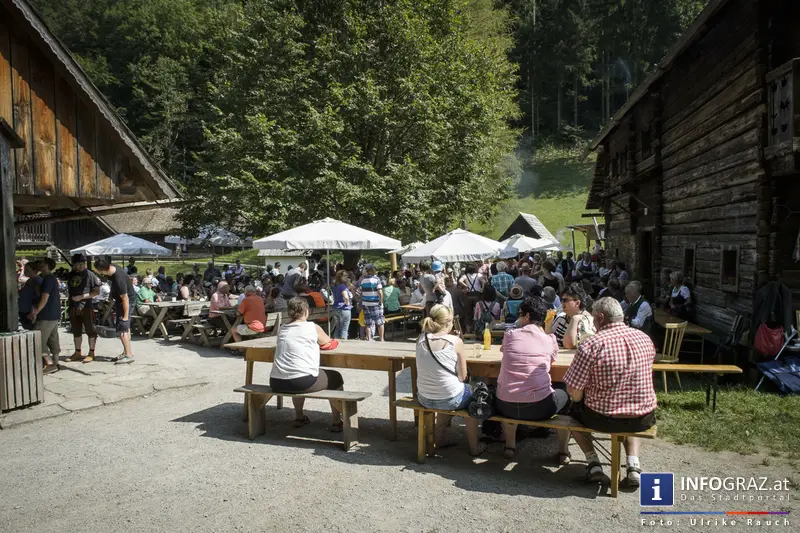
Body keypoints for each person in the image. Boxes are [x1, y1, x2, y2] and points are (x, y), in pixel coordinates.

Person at [563, 297, 657, 487]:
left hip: (603, 417)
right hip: (643, 416)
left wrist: (578, 402)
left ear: (601, 317)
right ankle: (633, 465)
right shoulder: (645, 339)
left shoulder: (592, 344)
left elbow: (574, 389)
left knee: (570, 415)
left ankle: (593, 463)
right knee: (631, 411)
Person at [496, 296, 571, 460]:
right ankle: (563, 451)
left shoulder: (510, 334)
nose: (518, 318)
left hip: (504, 404)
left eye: (520, 314)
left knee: (508, 389)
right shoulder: (549, 339)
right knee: (565, 393)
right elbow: (551, 360)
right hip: (539, 407)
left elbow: (504, 351)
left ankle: (510, 446)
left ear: (527, 316)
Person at [414, 304, 483, 456]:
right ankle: (474, 448)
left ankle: (439, 439)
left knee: (445, 390)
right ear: (449, 322)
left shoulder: (421, 338)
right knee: (472, 399)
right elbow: (462, 377)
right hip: (448, 398)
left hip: (424, 398)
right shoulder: (455, 342)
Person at [270, 297, 344, 431]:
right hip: (301, 381)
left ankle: (299, 416)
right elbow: (328, 342)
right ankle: (336, 421)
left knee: (295, 372)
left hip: (276, 381)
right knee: (335, 377)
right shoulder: (312, 327)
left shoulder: (282, 328)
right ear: (306, 310)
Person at [94, 258, 136, 364]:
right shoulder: (113, 267)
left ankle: (129, 355)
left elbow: (125, 298)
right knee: (126, 329)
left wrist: (125, 317)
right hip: (121, 301)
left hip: (126, 302)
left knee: (123, 328)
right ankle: (126, 351)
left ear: (102, 270)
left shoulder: (119, 279)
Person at [66, 254, 102, 363]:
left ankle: (91, 352)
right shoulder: (70, 275)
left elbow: (96, 292)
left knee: (90, 330)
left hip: (86, 307)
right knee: (76, 330)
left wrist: (81, 297)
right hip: (73, 306)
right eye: (79, 264)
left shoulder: (90, 275)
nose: (81, 266)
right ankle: (77, 352)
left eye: (83, 263)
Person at [28, 259, 61, 373]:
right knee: (53, 339)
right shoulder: (51, 278)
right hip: (54, 313)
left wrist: (36, 311)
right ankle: (56, 362)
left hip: (46, 314)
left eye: (41, 263)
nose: (38, 264)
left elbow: (44, 297)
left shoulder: (48, 279)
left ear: (46, 266)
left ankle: (50, 363)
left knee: (37, 339)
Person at [548, 283, 595, 348]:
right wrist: (548, 323)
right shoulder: (561, 317)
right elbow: (548, 339)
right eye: (562, 300)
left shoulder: (588, 321)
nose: (562, 303)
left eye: (565, 300)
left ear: (577, 303)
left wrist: (575, 320)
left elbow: (569, 345)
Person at [360, 264, 384, 341]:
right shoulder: (377, 279)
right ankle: (382, 339)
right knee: (380, 321)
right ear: (372, 270)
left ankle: (369, 338)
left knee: (368, 322)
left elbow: (360, 292)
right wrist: (380, 301)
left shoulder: (362, 280)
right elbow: (380, 292)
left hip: (366, 303)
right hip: (375, 303)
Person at [18, 262, 42, 329]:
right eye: (25, 270)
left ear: (34, 271)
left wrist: (34, 312)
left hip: (30, 313)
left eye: (27, 270)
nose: (25, 272)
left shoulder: (37, 281)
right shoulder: (29, 280)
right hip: (24, 310)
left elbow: (39, 298)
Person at [332, 271, 352, 340]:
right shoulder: (343, 286)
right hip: (344, 309)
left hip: (335, 308)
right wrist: (348, 303)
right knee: (344, 329)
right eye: (345, 276)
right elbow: (346, 297)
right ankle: (344, 345)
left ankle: (336, 343)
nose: (346, 277)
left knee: (338, 328)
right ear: (340, 277)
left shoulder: (335, 286)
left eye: (347, 275)